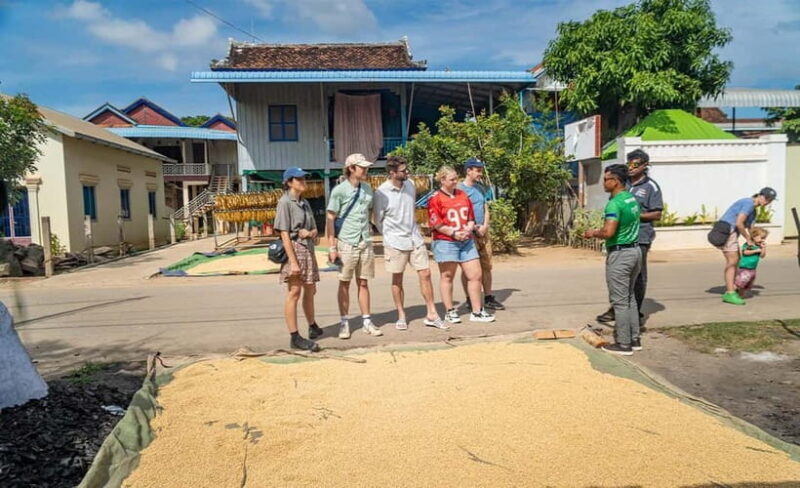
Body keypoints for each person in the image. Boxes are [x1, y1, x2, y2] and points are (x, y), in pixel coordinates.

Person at [373, 156, 447, 330]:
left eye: (407, 169)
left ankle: (432, 313)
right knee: (397, 278)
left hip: (414, 237)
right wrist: (389, 236)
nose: (407, 172)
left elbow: (410, 208)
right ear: (392, 173)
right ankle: (401, 315)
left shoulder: (411, 185)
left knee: (426, 273)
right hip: (395, 241)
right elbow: (378, 219)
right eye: (403, 170)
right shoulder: (381, 192)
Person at [596, 149, 662, 326]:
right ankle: (616, 310)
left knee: (637, 277)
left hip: (640, 237)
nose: (631, 168)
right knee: (618, 278)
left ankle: (635, 316)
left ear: (645, 165)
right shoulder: (624, 185)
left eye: (635, 164)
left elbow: (656, 214)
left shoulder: (651, 187)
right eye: (629, 164)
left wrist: (633, 215)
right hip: (620, 237)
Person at [584, 164, 642, 356]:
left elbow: (609, 231)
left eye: (606, 179)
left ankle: (623, 344)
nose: (603, 182)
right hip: (635, 251)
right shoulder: (631, 198)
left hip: (620, 254)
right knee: (629, 297)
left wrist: (593, 232)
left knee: (619, 301)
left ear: (615, 181)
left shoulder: (615, 203)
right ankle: (634, 339)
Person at [428, 166, 495, 324]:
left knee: (475, 275)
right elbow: (436, 223)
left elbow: (471, 216)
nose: (455, 181)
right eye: (451, 179)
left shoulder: (462, 195)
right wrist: (453, 233)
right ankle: (450, 311)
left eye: (456, 178)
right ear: (443, 180)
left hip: (466, 240)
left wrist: (469, 228)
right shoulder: (436, 198)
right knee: (447, 276)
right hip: (446, 242)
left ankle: (477, 311)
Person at [326, 153, 382, 339]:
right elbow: (331, 217)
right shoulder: (339, 190)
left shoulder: (367, 189)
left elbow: (371, 212)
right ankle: (344, 321)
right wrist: (332, 246)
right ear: (351, 168)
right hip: (346, 242)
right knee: (344, 283)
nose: (365, 170)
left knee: (364, 282)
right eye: (362, 167)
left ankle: (367, 321)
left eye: (366, 167)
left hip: (364, 241)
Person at [274, 167, 322, 352]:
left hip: (308, 248)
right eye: (299, 178)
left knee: (311, 288)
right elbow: (284, 234)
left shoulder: (305, 202)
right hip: (294, 249)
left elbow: (313, 228)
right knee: (294, 292)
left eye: (304, 178)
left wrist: (312, 232)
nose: (303, 181)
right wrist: (293, 262)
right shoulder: (285, 202)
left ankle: (312, 325)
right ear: (289, 182)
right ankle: (294, 337)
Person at [716, 187, 776, 305]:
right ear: (760, 195)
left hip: (732, 233)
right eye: (767, 198)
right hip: (728, 232)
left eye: (770, 200)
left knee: (735, 260)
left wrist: (757, 240)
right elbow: (739, 223)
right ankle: (730, 293)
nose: (768, 202)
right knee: (732, 262)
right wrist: (748, 239)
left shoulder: (753, 210)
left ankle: (733, 288)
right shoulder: (748, 203)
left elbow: (751, 229)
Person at [458, 158, 505, 311]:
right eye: (477, 170)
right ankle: (470, 299)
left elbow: (485, 208)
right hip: (468, 234)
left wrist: (485, 226)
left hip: (482, 232)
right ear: (468, 171)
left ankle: (489, 297)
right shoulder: (459, 189)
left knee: (487, 266)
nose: (480, 173)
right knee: (469, 268)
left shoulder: (480, 188)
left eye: (481, 170)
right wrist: (470, 228)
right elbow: (459, 212)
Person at [735, 227, 768, 299]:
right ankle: (737, 293)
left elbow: (762, 256)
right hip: (744, 267)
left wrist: (763, 248)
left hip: (752, 269)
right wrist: (756, 251)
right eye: (761, 238)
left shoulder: (759, 246)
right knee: (742, 282)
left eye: (764, 238)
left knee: (747, 283)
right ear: (754, 236)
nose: (763, 240)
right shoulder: (749, 244)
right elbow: (745, 252)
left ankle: (739, 292)